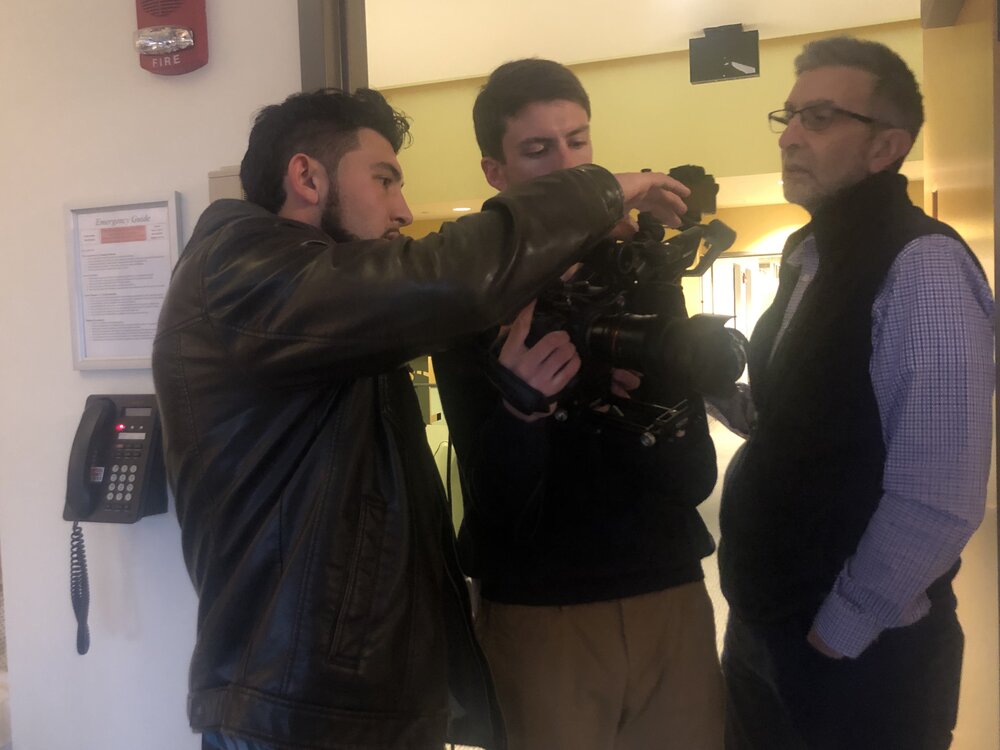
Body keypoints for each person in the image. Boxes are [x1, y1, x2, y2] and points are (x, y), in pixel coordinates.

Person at [151, 86, 693, 750]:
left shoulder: (316, 310)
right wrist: (602, 189)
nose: (404, 210)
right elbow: (451, 279)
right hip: (301, 716)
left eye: (577, 143)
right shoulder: (241, 274)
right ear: (306, 176)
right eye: (385, 180)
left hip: (340, 706)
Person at [433, 59, 726, 750]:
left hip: (670, 593)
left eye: (578, 141)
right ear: (494, 172)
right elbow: (496, 510)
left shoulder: (640, 267)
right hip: (540, 614)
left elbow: (694, 478)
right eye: (538, 150)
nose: (568, 165)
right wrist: (521, 414)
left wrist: (660, 410)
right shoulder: (468, 293)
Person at [715, 37, 994, 750]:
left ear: (885, 147)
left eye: (820, 116)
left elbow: (937, 494)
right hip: (766, 628)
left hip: (856, 653)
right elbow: (811, 428)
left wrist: (841, 629)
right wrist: (715, 391)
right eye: (788, 115)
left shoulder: (921, 266)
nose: (791, 136)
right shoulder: (809, 256)